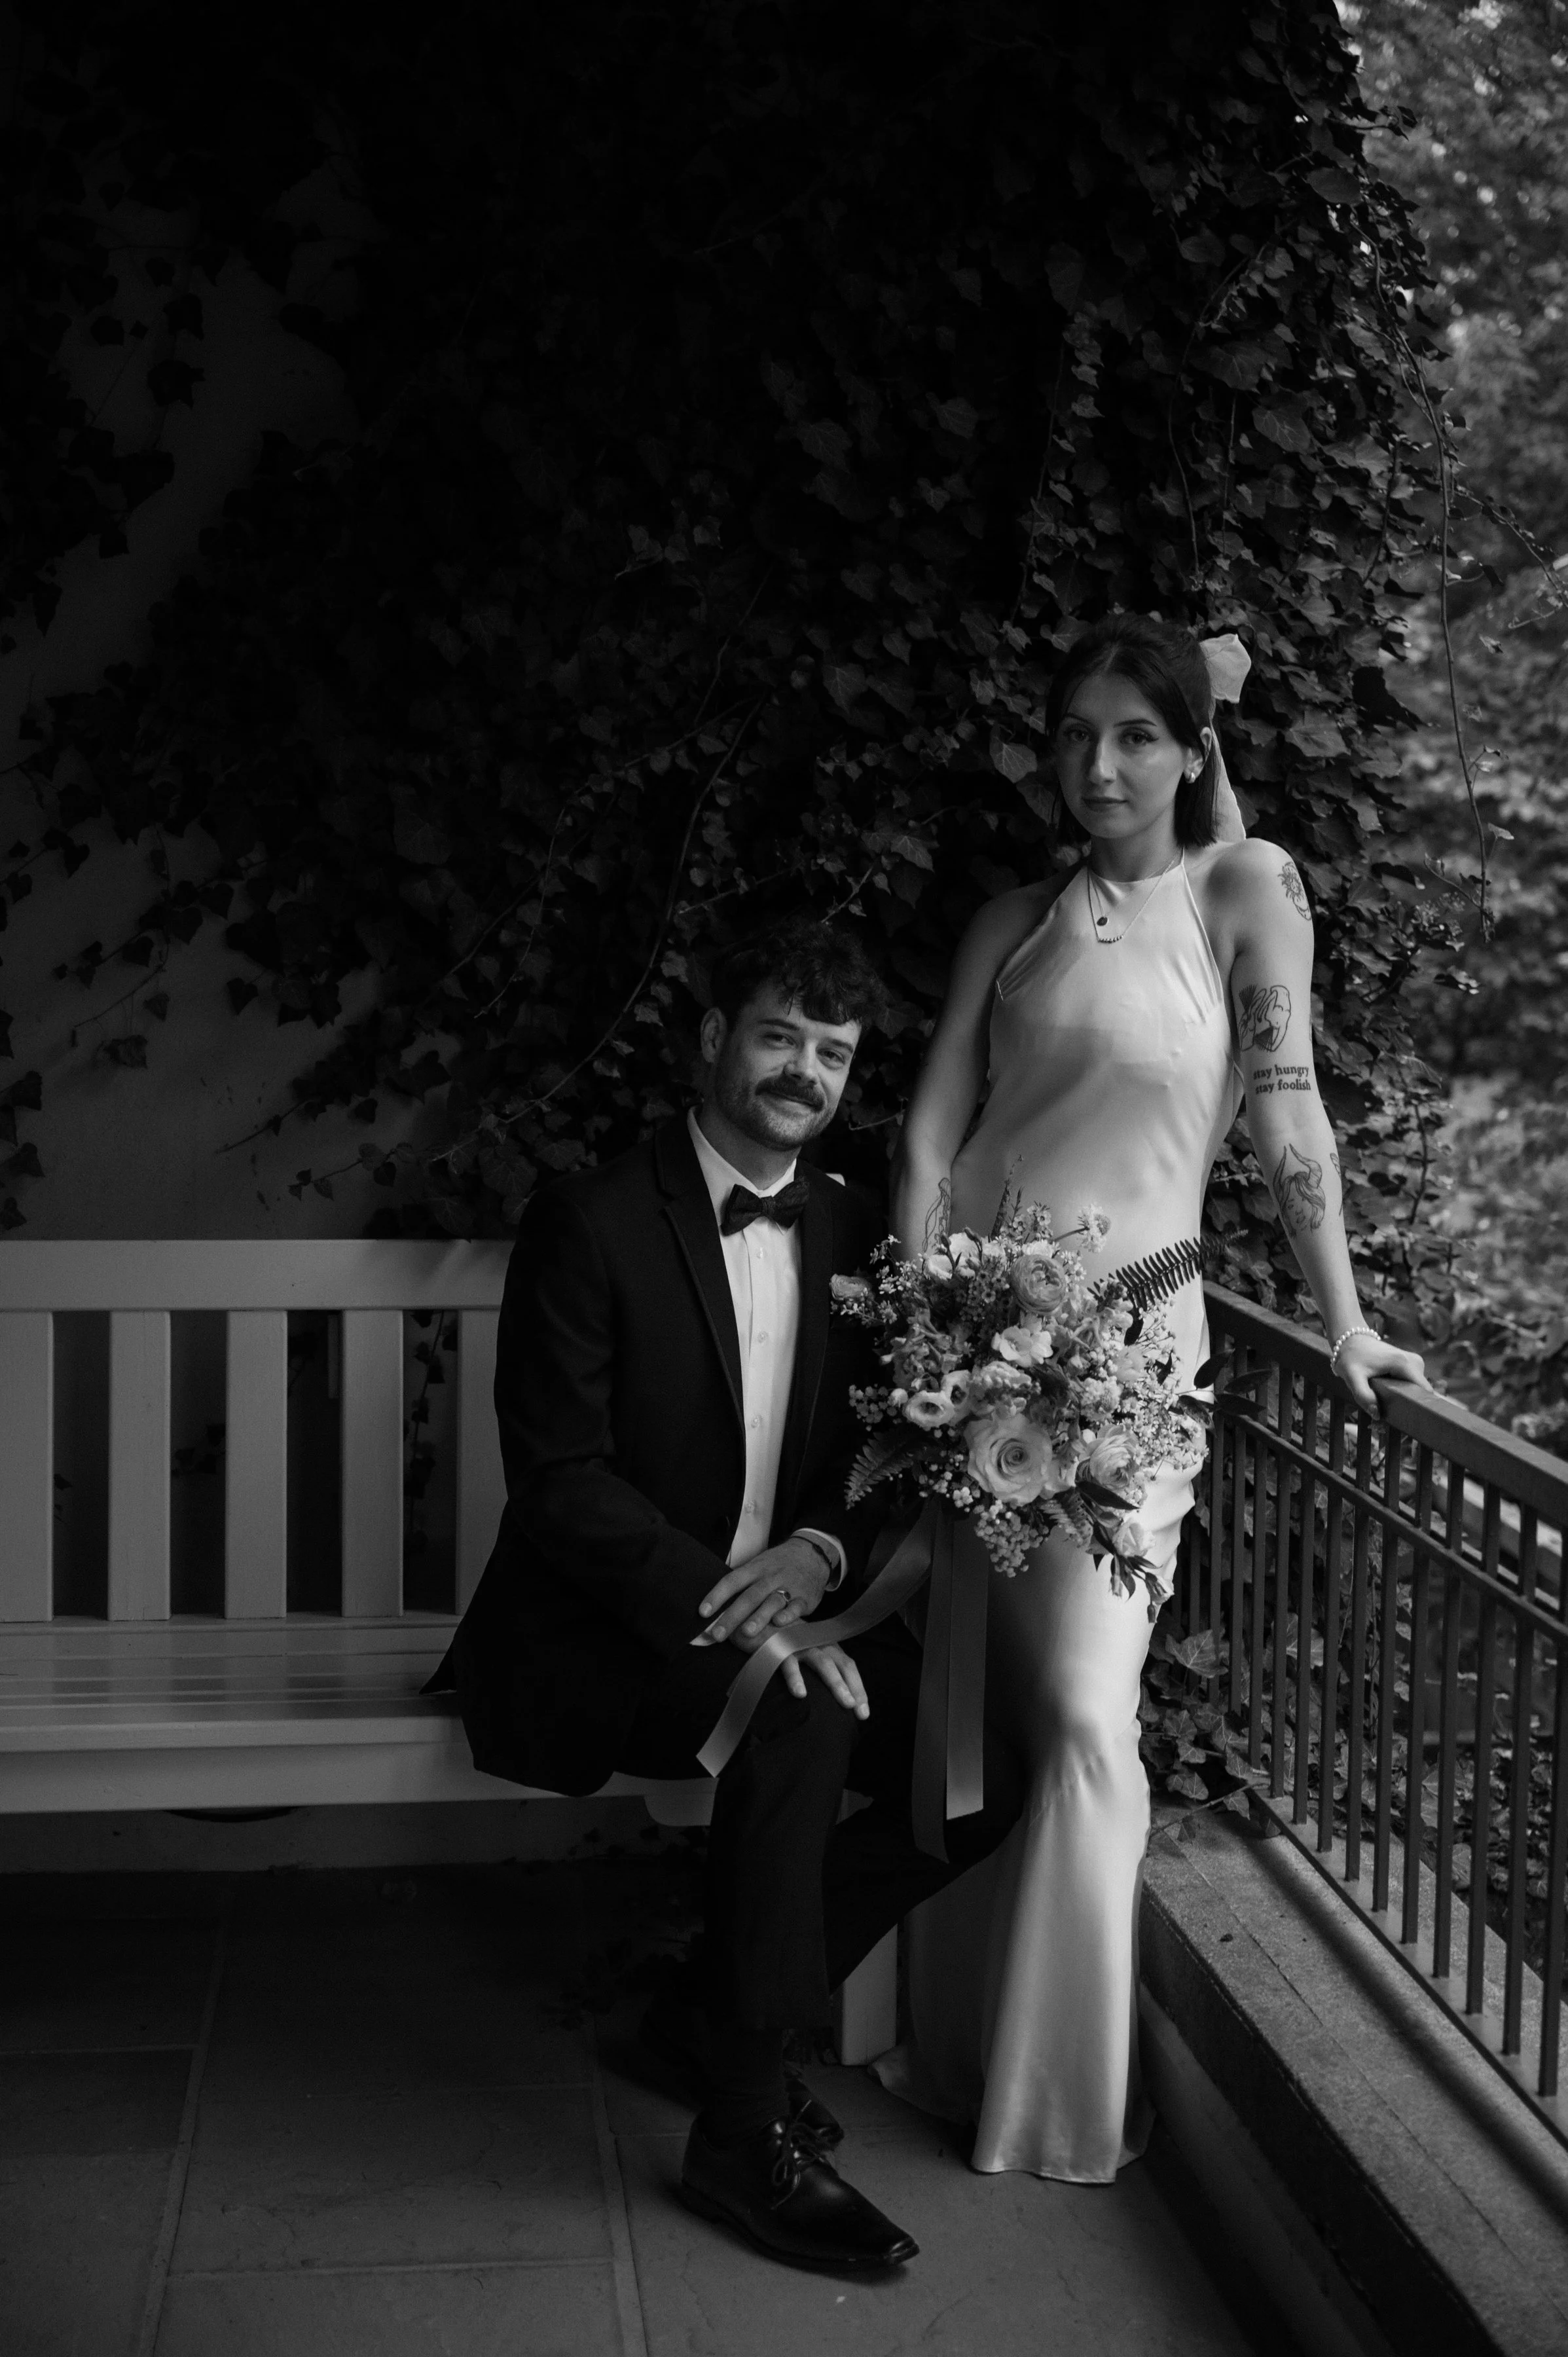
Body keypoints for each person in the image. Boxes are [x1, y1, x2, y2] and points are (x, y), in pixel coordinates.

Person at [883, 612, 1431, 2182]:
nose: (1100, 764)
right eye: (1073, 735)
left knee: (1073, 1710)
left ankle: (1053, 2100)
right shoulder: (1009, 921)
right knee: (970, 1699)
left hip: (1138, 1367)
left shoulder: (1243, 891)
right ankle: (947, 2043)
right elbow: (931, 1139)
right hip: (972, 1354)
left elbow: (1285, 1106)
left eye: (1135, 734)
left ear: (1196, 752)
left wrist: (1346, 1325)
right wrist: (933, 1338)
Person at [435, 913, 1023, 2269]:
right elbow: (562, 1484)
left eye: (832, 1051)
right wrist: (736, 1610)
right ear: (711, 1041)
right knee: (799, 1716)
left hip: (788, 1604)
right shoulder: (587, 1221)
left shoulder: (863, 1230)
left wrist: (817, 1554)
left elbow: (875, 1457)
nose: (804, 1072)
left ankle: (709, 2007)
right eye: (776, 1036)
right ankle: (741, 2130)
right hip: (607, 1632)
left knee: (981, 1778)